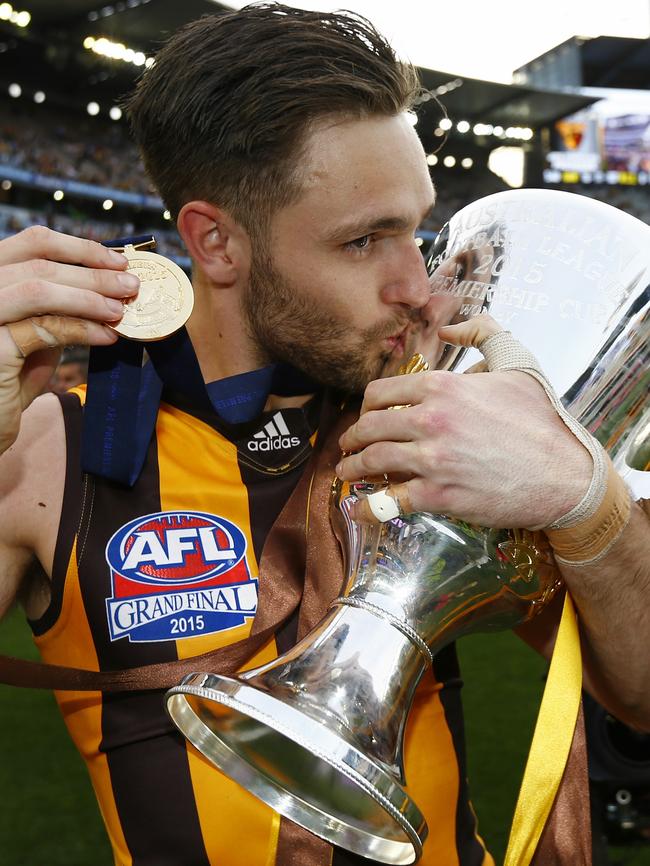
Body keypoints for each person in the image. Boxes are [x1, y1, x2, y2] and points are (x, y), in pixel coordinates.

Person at [0, 4, 648, 865]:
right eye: (364, 240)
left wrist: (587, 499)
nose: (419, 286)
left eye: (416, 231)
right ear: (216, 241)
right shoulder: (57, 449)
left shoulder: (443, 414)